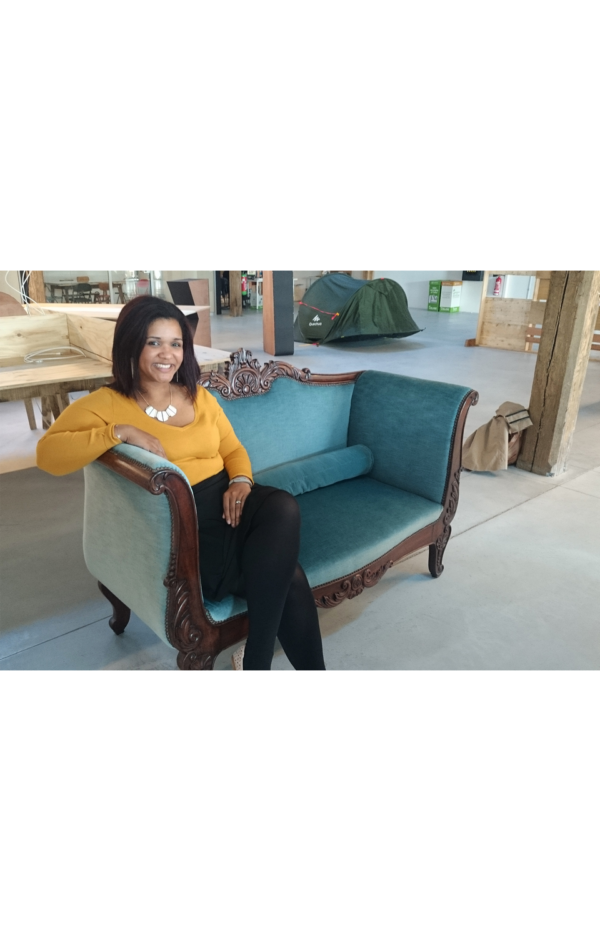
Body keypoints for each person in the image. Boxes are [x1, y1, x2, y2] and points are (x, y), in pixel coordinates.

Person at [36, 296, 326, 671]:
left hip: (230, 504)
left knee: (282, 505)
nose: (167, 354)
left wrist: (241, 480)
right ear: (131, 344)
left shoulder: (198, 396)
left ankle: (257, 660)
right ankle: (262, 662)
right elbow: (48, 455)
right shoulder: (107, 404)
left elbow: (233, 448)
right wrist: (118, 431)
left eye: (176, 344)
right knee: (291, 577)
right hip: (186, 526)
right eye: (153, 342)